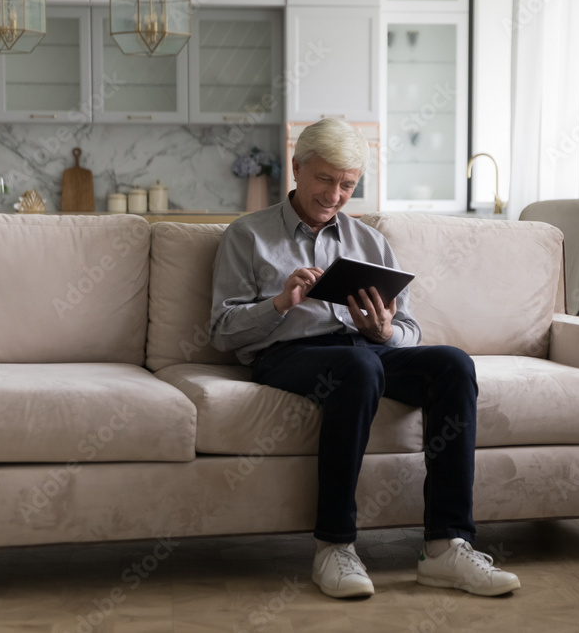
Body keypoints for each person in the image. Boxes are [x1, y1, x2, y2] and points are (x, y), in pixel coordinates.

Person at [210, 118, 520, 599]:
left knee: (453, 365)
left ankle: (446, 546)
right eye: (324, 179)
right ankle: (334, 546)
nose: (335, 194)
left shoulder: (370, 242)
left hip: (368, 352)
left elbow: (411, 330)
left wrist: (385, 331)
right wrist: (279, 303)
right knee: (360, 367)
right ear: (297, 168)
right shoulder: (247, 236)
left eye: (347, 184)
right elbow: (222, 332)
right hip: (289, 355)